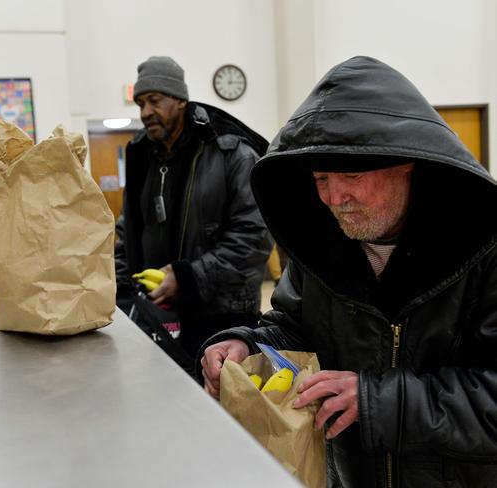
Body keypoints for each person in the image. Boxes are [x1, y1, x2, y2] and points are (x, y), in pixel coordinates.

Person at [200, 56, 497, 486]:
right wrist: (247, 345)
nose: (335, 198)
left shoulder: (484, 249)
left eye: (353, 175)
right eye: (321, 179)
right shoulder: (321, 248)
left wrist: (379, 402)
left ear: (408, 161)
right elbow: (293, 328)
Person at [115, 56, 272, 360]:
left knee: (219, 405)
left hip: (223, 322)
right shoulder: (143, 159)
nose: (146, 112)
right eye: (141, 104)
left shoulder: (232, 154)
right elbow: (128, 232)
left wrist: (187, 278)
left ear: (181, 100)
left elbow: (254, 240)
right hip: (155, 318)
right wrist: (120, 289)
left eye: (155, 101)